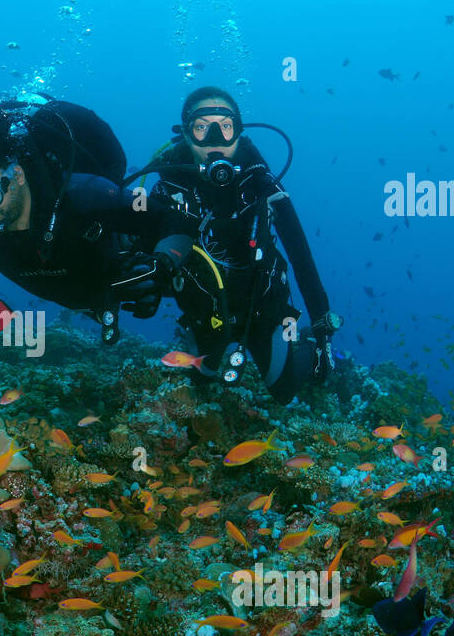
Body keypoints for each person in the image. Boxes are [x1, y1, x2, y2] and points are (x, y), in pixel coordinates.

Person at [0, 94, 194, 344]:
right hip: (80, 294)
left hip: (118, 274)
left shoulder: (85, 194)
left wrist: (163, 264)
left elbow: (173, 222)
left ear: (18, 175)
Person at [142, 86, 340, 403]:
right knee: (199, 381)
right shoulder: (169, 184)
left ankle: (303, 350)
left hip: (263, 308)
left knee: (285, 391)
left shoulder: (262, 183)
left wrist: (322, 329)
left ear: (238, 131)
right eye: (202, 128)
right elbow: (147, 248)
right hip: (204, 311)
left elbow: (301, 256)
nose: (215, 140)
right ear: (186, 134)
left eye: (225, 127)